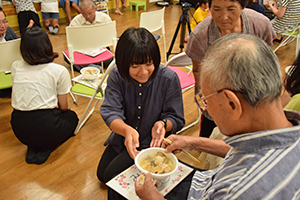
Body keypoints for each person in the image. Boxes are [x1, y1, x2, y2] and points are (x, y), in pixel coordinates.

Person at [134, 33, 300, 200]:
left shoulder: (238, 192)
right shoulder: (285, 128)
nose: (206, 108)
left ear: (232, 103)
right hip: (207, 182)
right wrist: (191, 142)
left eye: (205, 99)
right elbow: (251, 150)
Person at [97, 27, 185, 184]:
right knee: (102, 175)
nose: (143, 72)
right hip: (123, 137)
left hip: (152, 143)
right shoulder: (117, 75)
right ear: (124, 63)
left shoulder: (168, 78)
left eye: (149, 63)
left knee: (109, 176)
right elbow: (110, 111)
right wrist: (126, 130)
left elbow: (176, 117)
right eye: (135, 66)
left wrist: (162, 124)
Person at [185, 0, 276, 138]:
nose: (224, 16)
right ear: (208, 7)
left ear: (243, 6)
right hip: (216, 97)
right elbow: (198, 70)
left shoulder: (260, 24)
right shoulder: (200, 35)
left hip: (252, 96)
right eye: (216, 9)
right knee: (210, 139)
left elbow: (266, 62)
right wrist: (203, 91)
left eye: (231, 9)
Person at [10, 27, 78, 165]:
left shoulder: (16, 66)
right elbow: (64, 107)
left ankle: (33, 145)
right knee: (72, 117)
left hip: (19, 128)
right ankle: (47, 146)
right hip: (46, 127)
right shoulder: (58, 70)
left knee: (35, 125)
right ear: (47, 45)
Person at [68, 0, 112, 71]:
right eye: (84, 14)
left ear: (95, 9)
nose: (87, 16)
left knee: (110, 57)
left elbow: (110, 37)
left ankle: (88, 67)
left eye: (90, 13)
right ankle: (95, 66)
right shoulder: (75, 22)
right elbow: (71, 41)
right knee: (68, 58)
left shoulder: (105, 18)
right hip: (83, 51)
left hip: (100, 49)